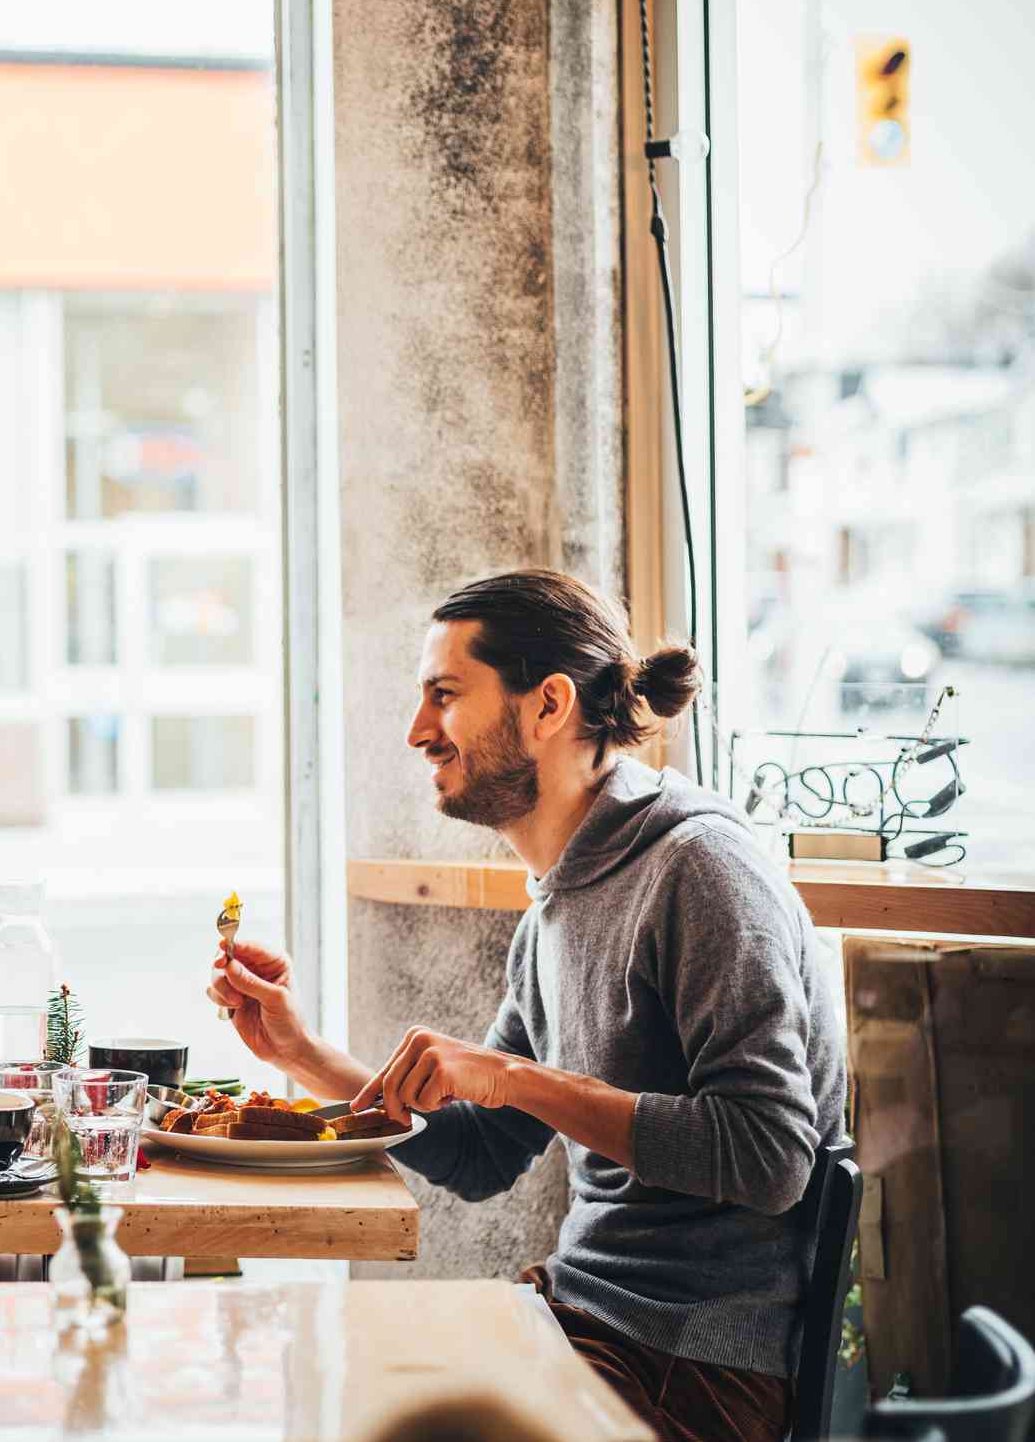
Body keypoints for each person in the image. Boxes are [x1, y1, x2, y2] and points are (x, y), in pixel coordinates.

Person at [208, 570, 844, 1442]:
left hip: (694, 1364)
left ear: (548, 706)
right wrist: (303, 1054)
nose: (417, 730)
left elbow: (771, 1157)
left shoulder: (699, 870)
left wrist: (515, 1077)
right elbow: (482, 1154)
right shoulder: (557, 905)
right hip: (581, 1314)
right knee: (305, 1388)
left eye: (444, 695)